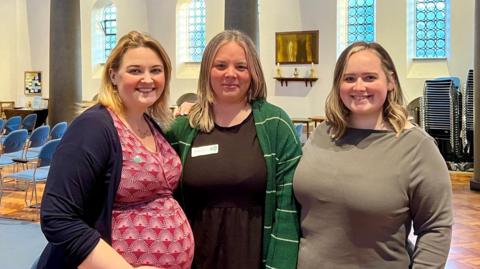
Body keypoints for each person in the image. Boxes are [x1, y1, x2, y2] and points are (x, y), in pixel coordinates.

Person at [37, 31, 194, 269]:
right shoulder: (93, 127)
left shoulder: (151, 124)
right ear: (113, 75)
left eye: (156, 70)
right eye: (135, 70)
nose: (148, 79)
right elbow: (57, 217)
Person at [293, 41, 453, 268]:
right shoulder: (322, 133)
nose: (359, 87)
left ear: (390, 82)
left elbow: (436, 228)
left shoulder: (417, 147)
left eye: (369, 77)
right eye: (349, 78)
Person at [166, 30, 302, 269]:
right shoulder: (183, 128)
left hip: (254, 256)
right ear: (207, 70)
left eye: (241, 66)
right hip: (196, 257)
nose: (231, 74)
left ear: (253, 73)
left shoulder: (275, 124)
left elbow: (287, 206)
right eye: (220, 65)